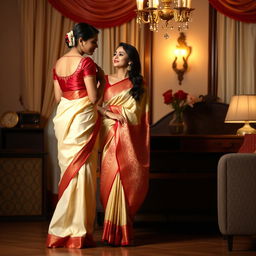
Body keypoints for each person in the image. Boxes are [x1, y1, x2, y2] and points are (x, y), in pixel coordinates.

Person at [46, 23, 105, 249]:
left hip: (65, 118)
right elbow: (92, 98)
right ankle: (78, 233)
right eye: (93, 41)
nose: (95, 46)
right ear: (81, 41)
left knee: (69, 173)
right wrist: (100, 79)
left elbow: (58, 97)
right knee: (83, 173)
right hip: (82, 119)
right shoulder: (86, 63)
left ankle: (60, 231)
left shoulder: (58, 63)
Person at [97, 42, 149, 246]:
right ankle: (110, 232)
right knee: (110, 176)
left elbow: (138, 114)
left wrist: (118, 114)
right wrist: (110, 113)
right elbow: (96, 104)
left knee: (123, 177)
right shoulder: (105, 80)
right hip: (109, 133)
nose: (116, 56)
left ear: (130, 61)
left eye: (121, 54)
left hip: (128, 137)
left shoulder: (138, 84)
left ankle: (123, 231)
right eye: (114, 53)